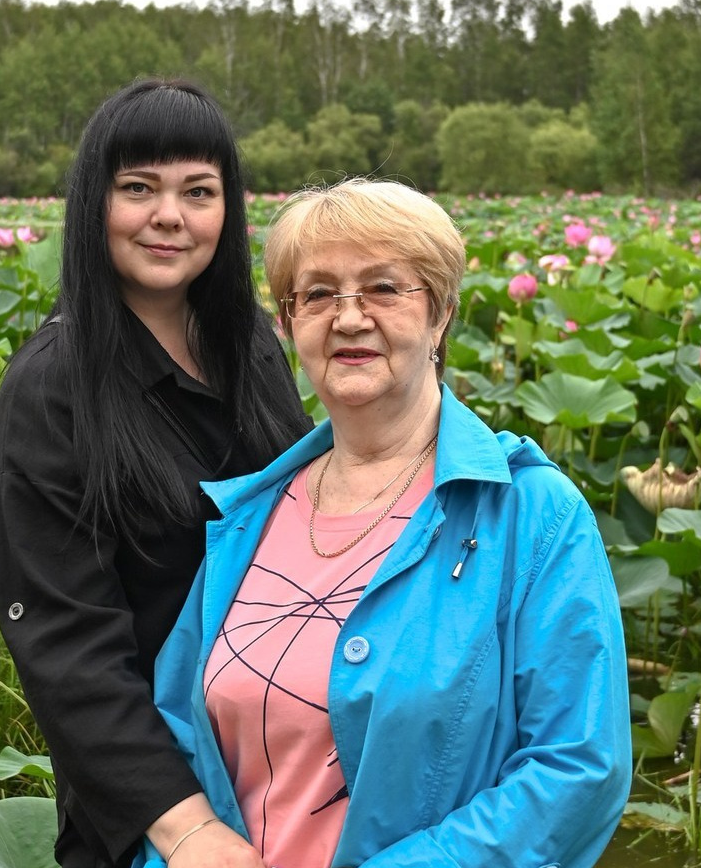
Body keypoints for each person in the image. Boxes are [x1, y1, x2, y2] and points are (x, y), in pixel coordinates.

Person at [140, 178, 631, 868]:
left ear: (440, 315)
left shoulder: (533, 515)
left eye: (382, 288)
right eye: (316, 295)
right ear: (288, 325)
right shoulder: (247, 515)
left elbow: (580, 768)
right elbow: (176, 729)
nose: (347, 318)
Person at [0, 79, 312, 868]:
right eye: (138, 189)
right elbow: (65, 644)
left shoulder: (253, 345)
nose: (170, 216)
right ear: (95, 204)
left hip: (283, 761)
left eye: (198, 191)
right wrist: (185, 828)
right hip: (157, 802)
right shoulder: (50, 393)